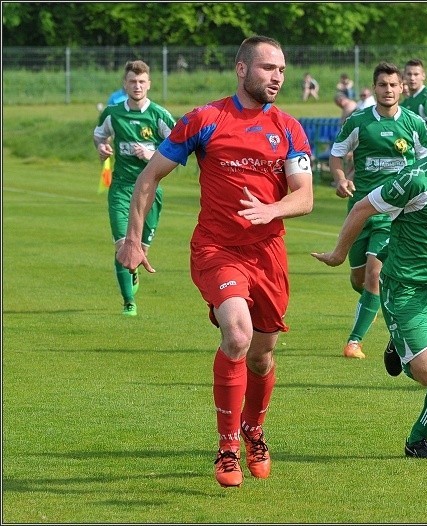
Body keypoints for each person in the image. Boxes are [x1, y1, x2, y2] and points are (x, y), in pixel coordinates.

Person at [115, 36, 314, 488]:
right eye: (268, 68)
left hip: (268, 255)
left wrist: (272, 210)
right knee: (238, 334)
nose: (277, 77)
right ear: (242, 70)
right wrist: (133, 239)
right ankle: (227, 447)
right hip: (216, 250)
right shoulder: (204, 120)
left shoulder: (288, 128)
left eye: (282, 69)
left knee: (262, 357)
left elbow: (304, 196)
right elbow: (149, 178)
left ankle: (254, 432)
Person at [311, 99, 427, 460]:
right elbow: (364, 206)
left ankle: (417, 442)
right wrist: (337, 254)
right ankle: (401, 344)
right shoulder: (417, 179)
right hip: (406, 288)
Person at [328, 62, 427, 359]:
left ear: (402, 88)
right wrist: (340, 179)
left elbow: (426, 166)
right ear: (375, 88)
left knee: (375, 274)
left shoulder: (415, 124)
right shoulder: (359, 121)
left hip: (395, 215)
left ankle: (354, 341)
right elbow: (336, 156)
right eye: (382, 85)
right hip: (360, 210)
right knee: (358, 280)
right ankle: (385, 307)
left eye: (393, 85)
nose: (388, 90)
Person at [93, 59, 176, 317]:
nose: (137, 86)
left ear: (149, 84)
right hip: (120, 187)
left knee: (141, 249)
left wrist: (151, 154)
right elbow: (99, 135)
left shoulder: (160, 116)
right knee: (123, 246)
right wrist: (102, 147)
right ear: (125, 84)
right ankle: (129, 302)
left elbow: (178, 145)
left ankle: (135, 269)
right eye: (132, 81)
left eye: (141, 82)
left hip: (150, 190)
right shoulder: (112, 113)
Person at [400, 58, 427, 152]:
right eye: (409, 74)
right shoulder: (406, 101)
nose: (412, 78)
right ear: (404, 76)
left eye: (416, 74)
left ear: (423, 76)